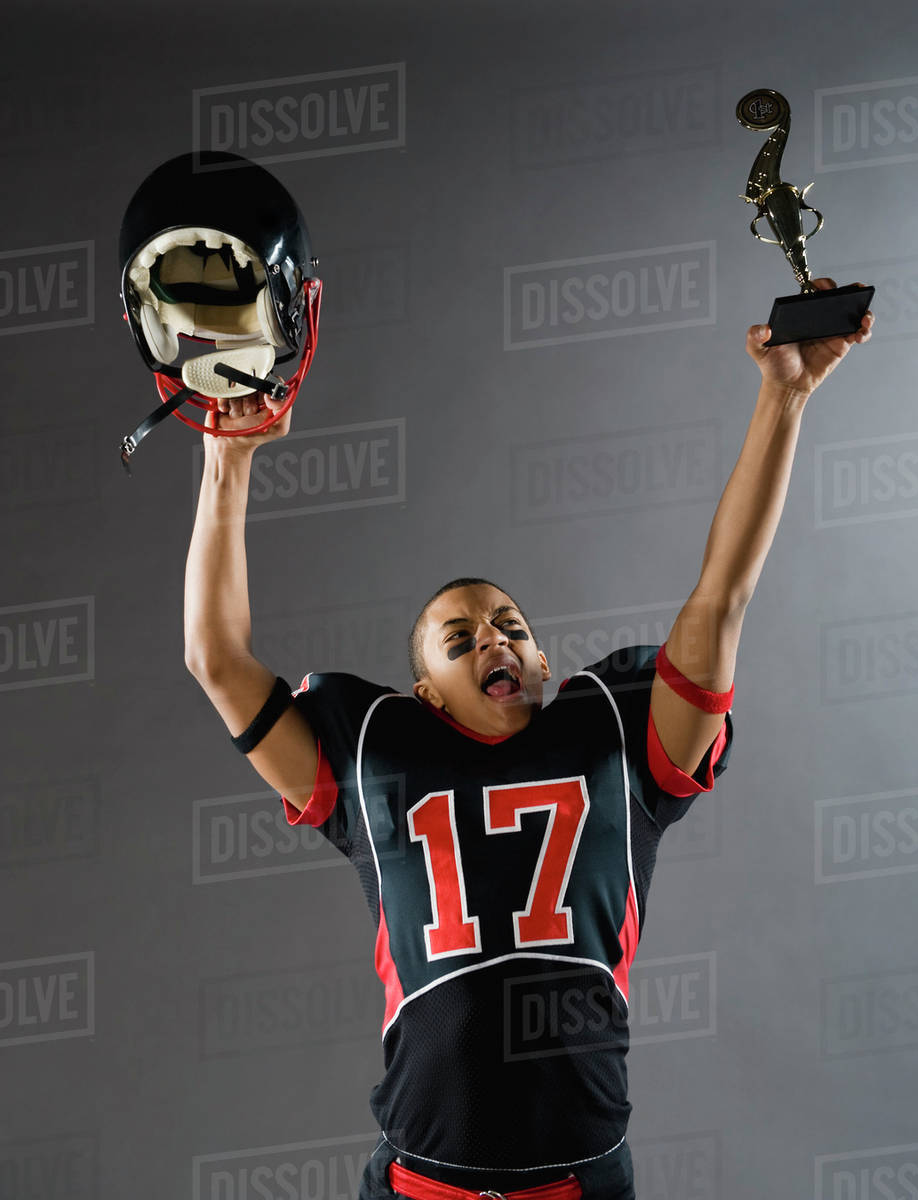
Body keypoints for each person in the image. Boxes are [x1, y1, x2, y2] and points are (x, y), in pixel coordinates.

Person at [184, 280, 873, 1200]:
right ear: (424, 690)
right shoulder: (373, 749)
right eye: (460, 638)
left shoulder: (617, 734)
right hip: (420, 1185)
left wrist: (783, 396)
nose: (493, 641)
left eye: (510, 627)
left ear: (544, 662)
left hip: (577, 1183)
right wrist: (227, 461)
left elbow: (722, 597)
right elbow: (215, 658)